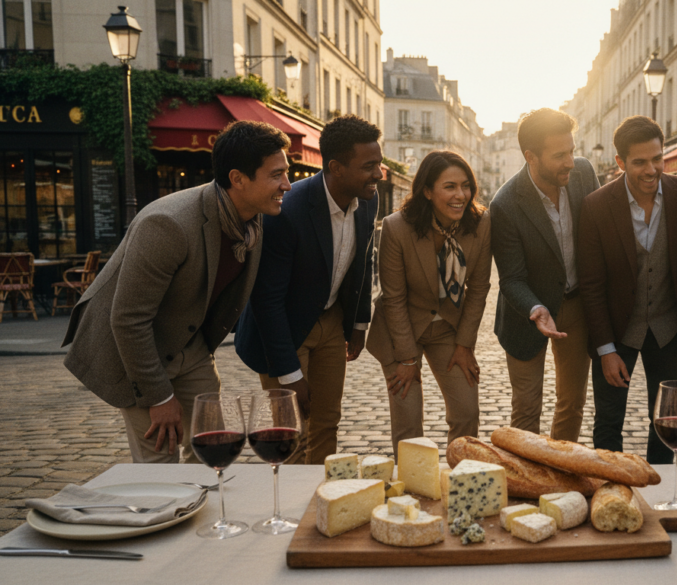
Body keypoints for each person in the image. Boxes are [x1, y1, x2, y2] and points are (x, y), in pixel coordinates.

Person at [62, 120, 291, 463]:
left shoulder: (253, 219)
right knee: (161, 466)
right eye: (276, 175)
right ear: (238, 179)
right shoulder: (168, 224)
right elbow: (127, 319)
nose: (287, 184)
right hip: (137, 352)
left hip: (191, 347)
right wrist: (158, 398)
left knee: (210, 452)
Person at [234, 115, 380, 465]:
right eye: (369, 166)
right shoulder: (287, 210)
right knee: (292, 431)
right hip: (283, 327)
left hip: (331, 321)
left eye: (380, 163)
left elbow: (363, 263)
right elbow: (267, 301)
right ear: (336, 168)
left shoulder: (368, 199)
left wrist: (359, 325)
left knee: (328, 422)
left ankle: (320, 503)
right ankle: (294, 510)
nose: (379, 174)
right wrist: (290, 374)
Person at [578, 116, 677, 464]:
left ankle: (658, 496)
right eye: (640, 162)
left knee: (666, 422)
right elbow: (592, 284)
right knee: (608, 423)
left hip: (668, 328)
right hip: (617, 333)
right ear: (620, 162)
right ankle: (610, 492)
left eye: (657, 158)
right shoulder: (596, 206)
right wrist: (605, 350)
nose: (652, 169)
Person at [366, 151, 491, 455]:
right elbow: (393, 298)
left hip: (448, 327)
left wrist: (465, 345)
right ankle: (411, 495)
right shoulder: (397, 227)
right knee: (409, 427)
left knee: (467, 413)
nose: (460, 195)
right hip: (401, 330)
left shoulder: (481, 222)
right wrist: (408, 359)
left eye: (466, 185)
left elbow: (478, 289)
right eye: (449, 187)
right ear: (427, 191)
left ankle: (461, 482)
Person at [489, 108, 600, 442]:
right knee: (526, 408)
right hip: (527, 314)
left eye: (571, 151)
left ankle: (561, 475)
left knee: (572, 404)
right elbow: (511, 278)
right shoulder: (505, 204)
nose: (569, 161)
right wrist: (536, 309)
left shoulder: (583, 172)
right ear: (531, 156)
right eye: (559, 155)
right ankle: (527, 478)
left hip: (576, 305)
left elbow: (599, 233)